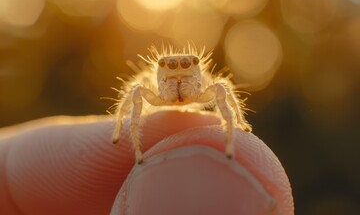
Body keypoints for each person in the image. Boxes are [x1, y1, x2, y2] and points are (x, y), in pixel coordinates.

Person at [0, 111, 294, 215]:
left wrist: (237, 123)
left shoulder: (204, 84)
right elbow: (137, 90)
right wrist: (121, 131)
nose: (178, 73)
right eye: (169, 67)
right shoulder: (154, 87)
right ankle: (140, 152)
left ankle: (232, 136)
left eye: (187, 66)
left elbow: (221, 88)